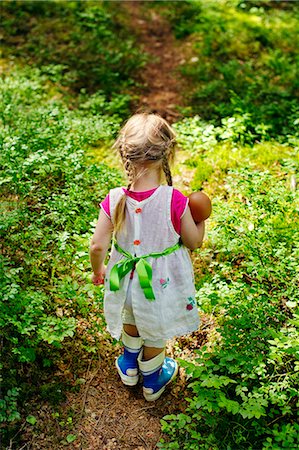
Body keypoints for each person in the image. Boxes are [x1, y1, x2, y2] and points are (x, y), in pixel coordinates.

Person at [90, 113, 205, 401]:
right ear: (167, 153)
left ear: (124, 153)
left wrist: (98, 270)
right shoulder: (174, 199)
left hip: (124, 282)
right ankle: (152, 378)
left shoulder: (114, 198)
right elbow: (193, 242)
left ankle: (129, 364)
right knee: (155, 325)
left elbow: (97, 246)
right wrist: (201, 219)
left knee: (130, 313)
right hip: (160, 285)